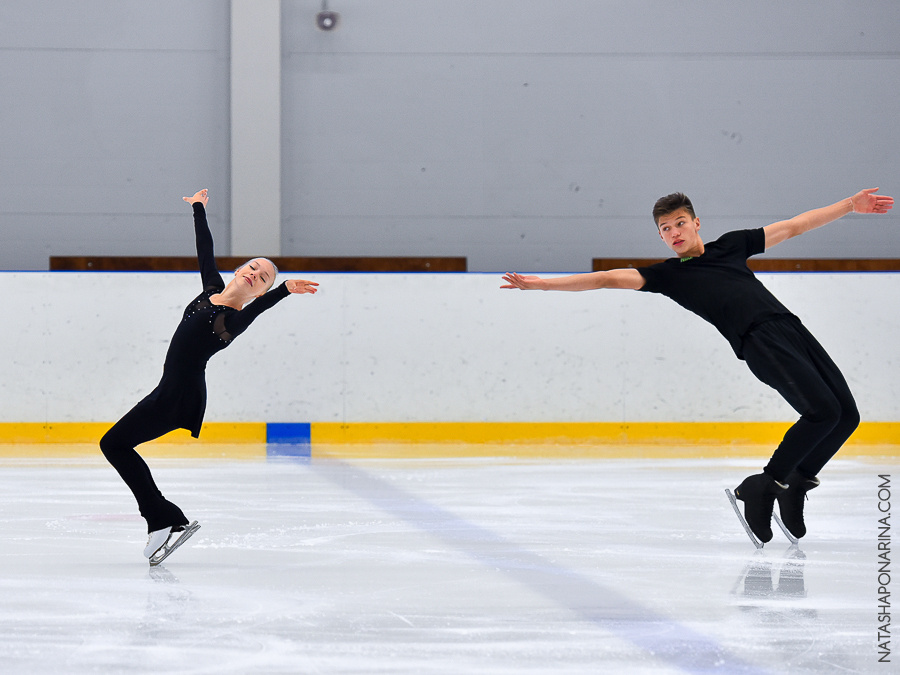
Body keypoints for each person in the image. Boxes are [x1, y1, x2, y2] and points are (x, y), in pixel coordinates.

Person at [501, 188, 893, 544]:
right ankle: (763, 485)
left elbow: (794, 226)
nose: (673, 232)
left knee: (847, 416)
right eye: (665, 228)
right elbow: (606, 278)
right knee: (822, 412)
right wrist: (543, 284)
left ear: (696, 223)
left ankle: (794, 486)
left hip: (792, 329)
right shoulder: (669, 276)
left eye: (680, 223)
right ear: (660, 236)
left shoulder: (732, 246)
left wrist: (849, 206)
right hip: (759, 340)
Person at [100, 189, 319, 563]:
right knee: (116, 445)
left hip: (179, 395)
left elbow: (258, 311)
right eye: (253, 267)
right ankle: (167, 519)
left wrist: (282, 291)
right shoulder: (210, 290)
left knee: (114, 444)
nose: (255, 275)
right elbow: (205, 249)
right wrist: (198, 208)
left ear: (260, 290)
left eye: (263, 278)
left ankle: (162, 521)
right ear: (239, 270)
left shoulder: (230, 321)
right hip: (168, 390)